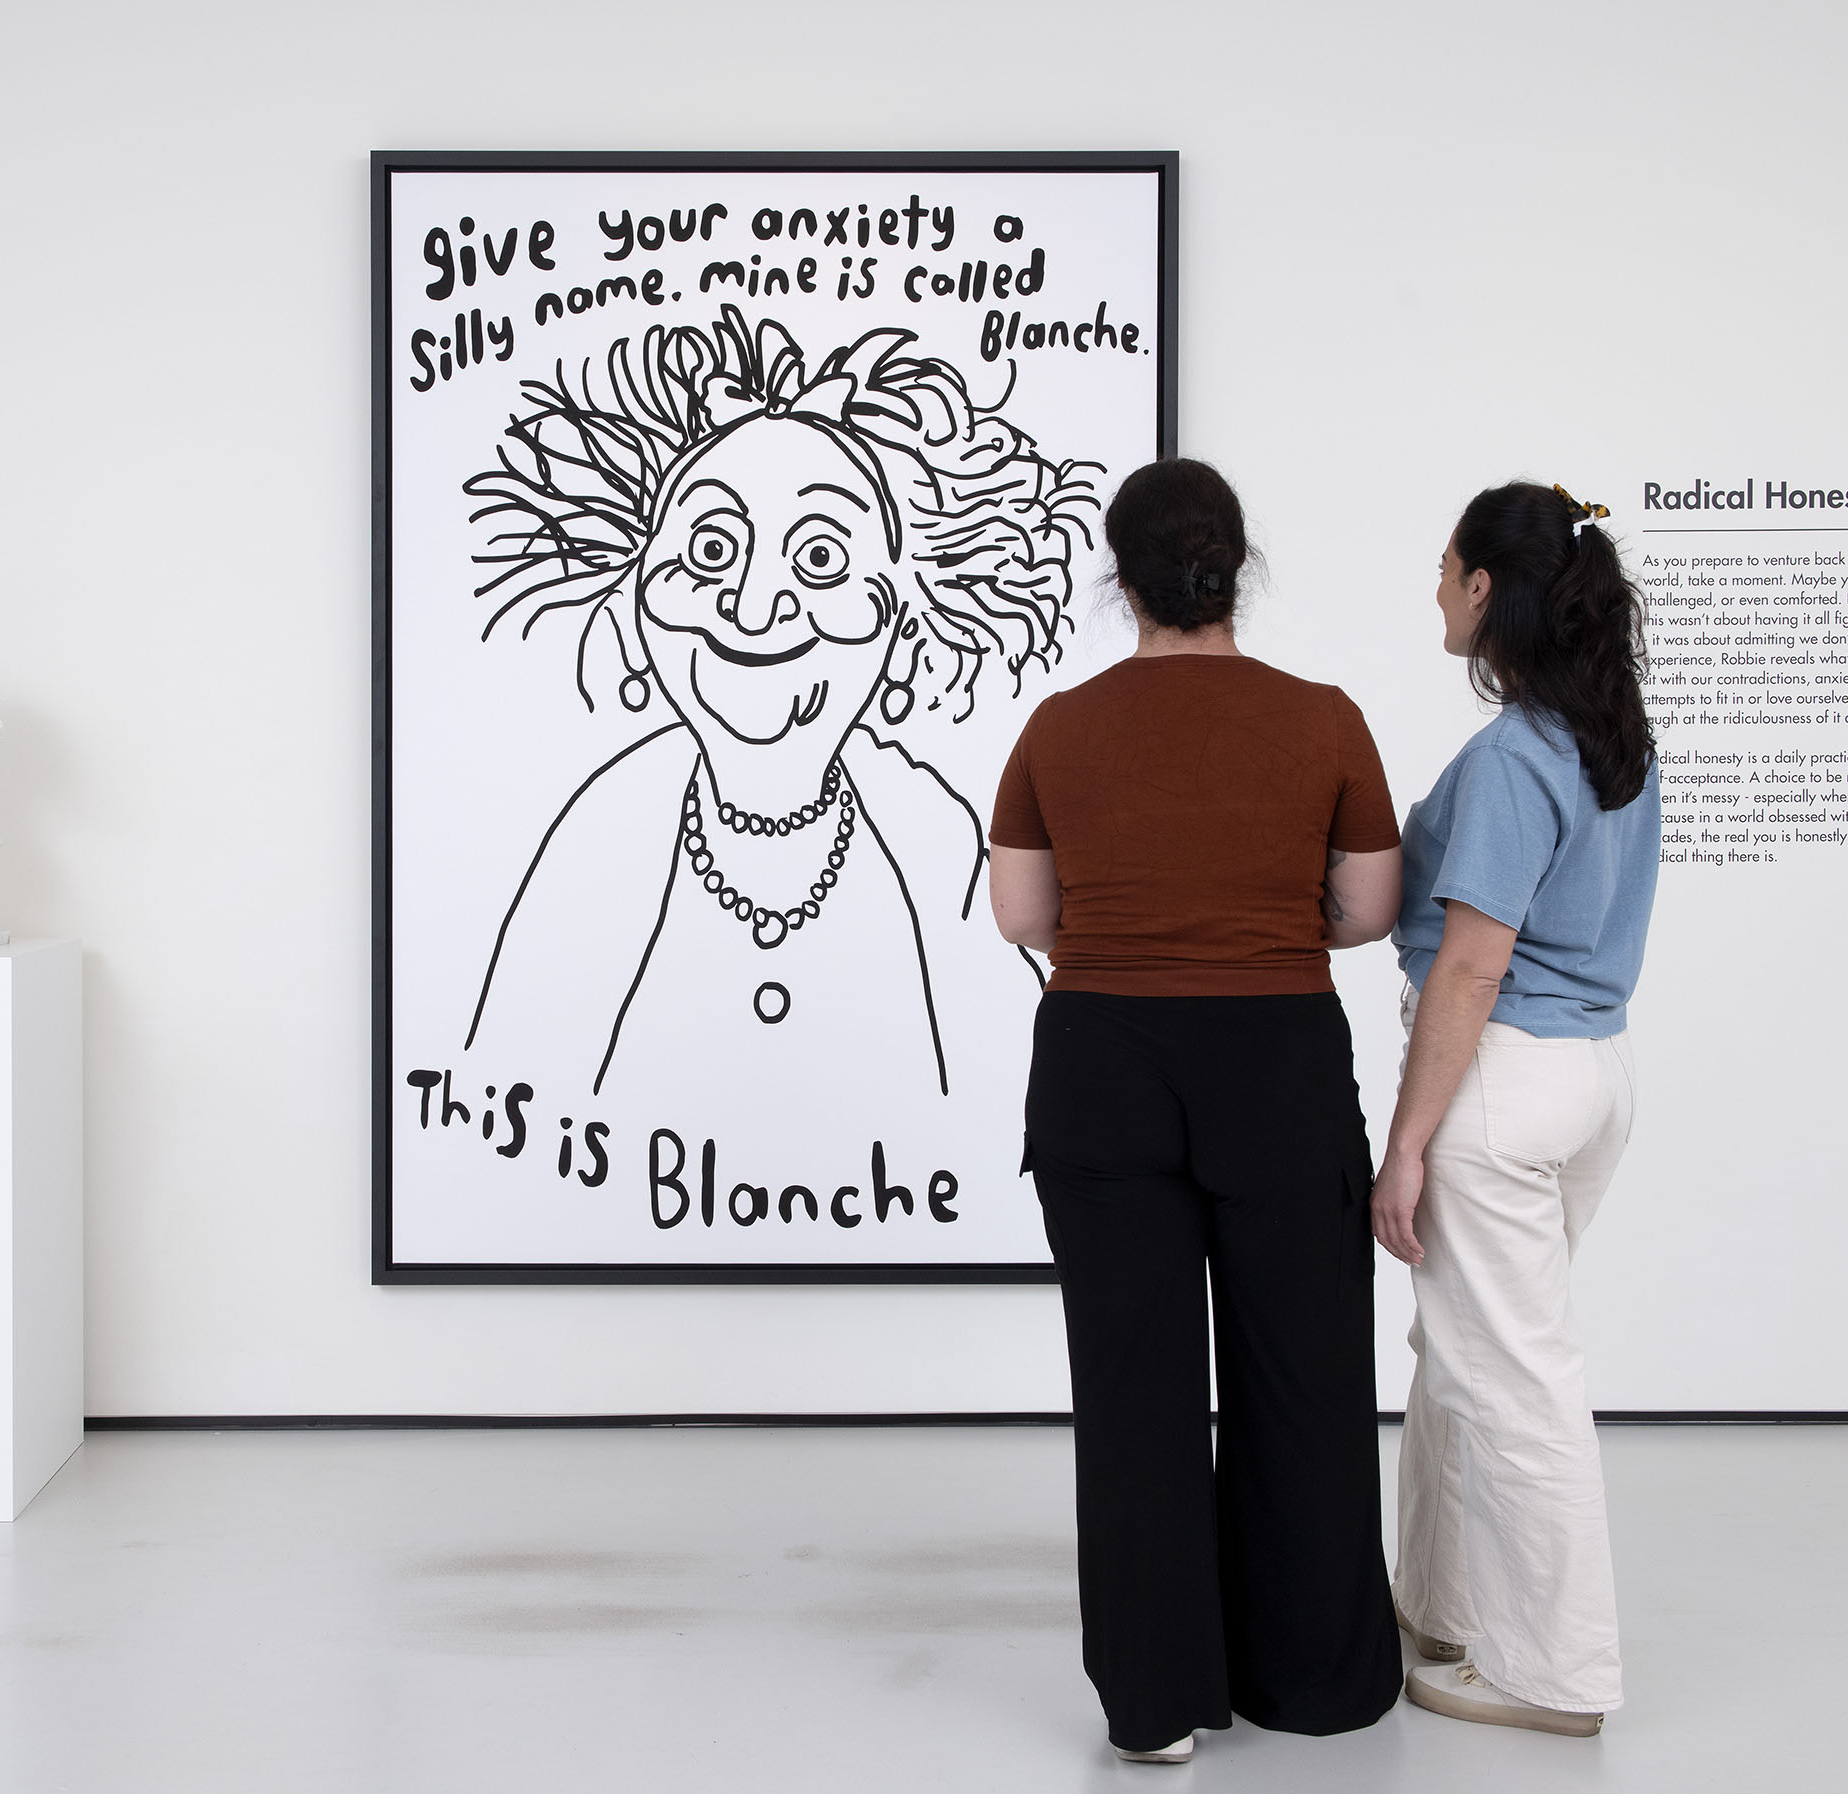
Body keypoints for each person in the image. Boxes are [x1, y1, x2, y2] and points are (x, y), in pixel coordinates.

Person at [990, 458, 1406, 1764]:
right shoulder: (1324, 720)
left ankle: (1156, 1702)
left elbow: (1022, 916)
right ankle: (1311, 1678)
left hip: (1100, 1057)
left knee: (1133, 1389)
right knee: (1303, 1372)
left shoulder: (1057, 728)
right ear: (1236, 570)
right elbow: (1367, 909)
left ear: (1119, 581)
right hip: (1276, 1054)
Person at [461, 306, 1100, 1103]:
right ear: (635, 589)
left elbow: (1015, 1095)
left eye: (821, 556)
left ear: (909, 619)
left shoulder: (931, 838)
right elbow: (503, 1097)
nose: (755, 607)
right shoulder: (597, 839)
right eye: (711, 548)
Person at [1372, 482, 1660, 1738]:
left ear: (1485, 588)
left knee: (1514, 1382)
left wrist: (1405, 1143)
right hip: (1592, 1076)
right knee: (1465, 1356)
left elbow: (1470, 968)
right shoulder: (1609, 739)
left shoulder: (1509, 758)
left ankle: (1555, 1676)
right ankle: (1438, 1607)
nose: (1435, 589)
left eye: (1445, 569)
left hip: (1504, 1082)